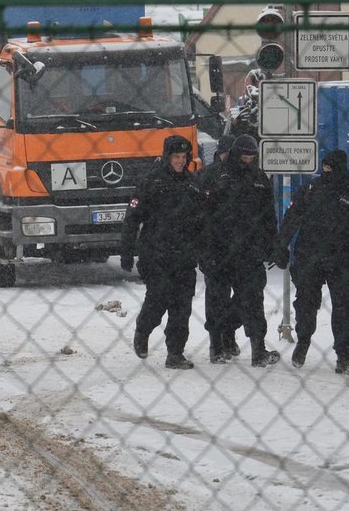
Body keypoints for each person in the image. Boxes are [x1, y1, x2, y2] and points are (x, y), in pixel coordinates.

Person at [273, 149, 349, 376]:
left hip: (341, 258)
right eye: (324, 167)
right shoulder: (311, 190)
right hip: (309, 256)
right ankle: (303, 342)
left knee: (343, 307)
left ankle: (343, 356)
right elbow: (291, 219)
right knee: (305, 303)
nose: (326, 171)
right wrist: (281, 246)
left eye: (330, 168)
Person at [119, 135, 203, 369]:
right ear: (167, 157)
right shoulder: (151, 181)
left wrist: (204, 249)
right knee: (158, 299)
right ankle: (143, 330)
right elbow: (132, 218)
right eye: (176, 157)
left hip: (184, 255)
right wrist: (127, 250)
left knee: (182, 306)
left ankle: (175, 353)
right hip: (156, 253)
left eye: (183, 157)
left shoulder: (192, 183)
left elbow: (202, 220)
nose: (180, 161)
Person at [200, 134, 281, 367]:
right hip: (218, 251)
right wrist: (203, 251)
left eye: (251, 157)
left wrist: (271, 245)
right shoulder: (213, 176)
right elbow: (199, 218)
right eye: (244, 156)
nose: (247, 161)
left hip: (250, 251)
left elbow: (269, 217)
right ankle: (217, 345)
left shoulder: (259, 178)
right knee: (217, 298)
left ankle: (258, 349)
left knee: (253, 298)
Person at [196, 134, 242, 363]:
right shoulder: (206, 176)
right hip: (214, 247)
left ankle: (228, 332)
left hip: (241, 247)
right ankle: (217, 343)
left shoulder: (245, 176)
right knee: (217, 296)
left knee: (245, 296)